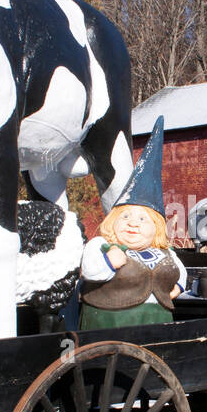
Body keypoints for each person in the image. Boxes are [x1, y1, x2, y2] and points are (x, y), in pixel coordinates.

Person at [78, 116, 185, 329]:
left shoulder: (165, 252)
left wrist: (179, 286)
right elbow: (89, 271)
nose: (133, 224)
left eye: (143, 219)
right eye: (125, 217)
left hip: (157, 322)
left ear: (156, 227)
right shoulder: (100, 246)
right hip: (110, 323)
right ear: (113, 221)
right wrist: (108, 263)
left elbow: (180, 270)